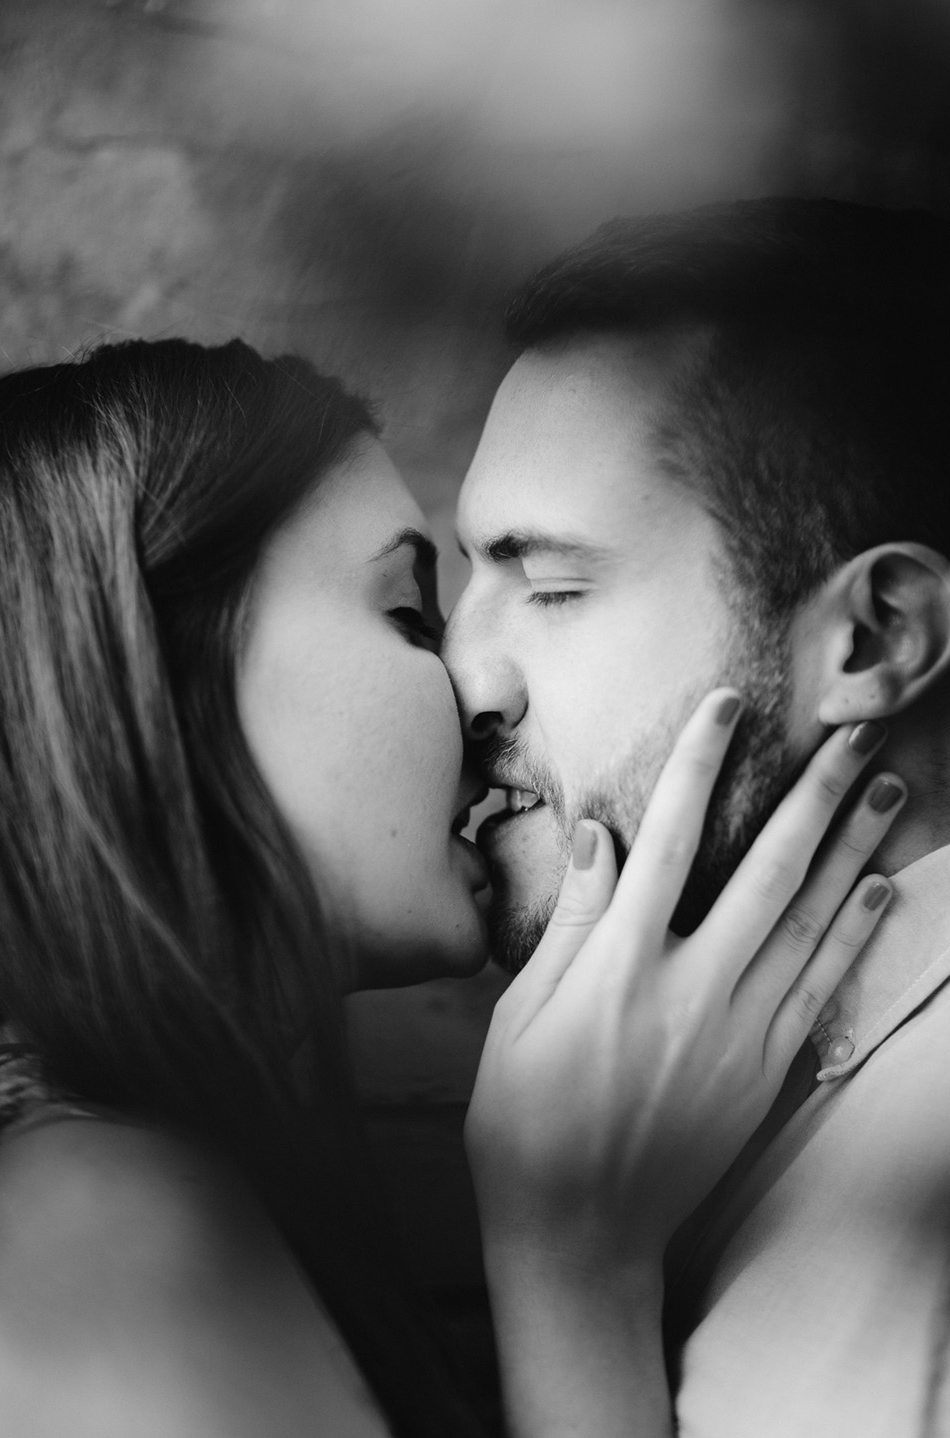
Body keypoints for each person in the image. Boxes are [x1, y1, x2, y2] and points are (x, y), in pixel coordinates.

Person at [0, 338, 903, 1437]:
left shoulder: (130, 1180)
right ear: (171, 678)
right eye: (410, 617)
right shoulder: (98, 1227)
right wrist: (573, 1273)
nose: (473, 684)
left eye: (556, 590)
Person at [447, 198, 950, 1437]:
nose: (466, 675)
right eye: (455, 587)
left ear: (878, 637)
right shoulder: (706, 1081)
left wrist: (568, 1275)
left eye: (554, 588)